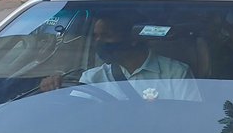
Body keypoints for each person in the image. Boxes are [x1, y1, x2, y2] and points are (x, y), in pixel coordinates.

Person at [41, 15, 198, 101]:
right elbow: (78, 118)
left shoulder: (175, 74)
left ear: (132, 38)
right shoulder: (92, 78)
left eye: (107, 36)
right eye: (96, 36)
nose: (99, 42)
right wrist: (54, 95)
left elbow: (187, 119)